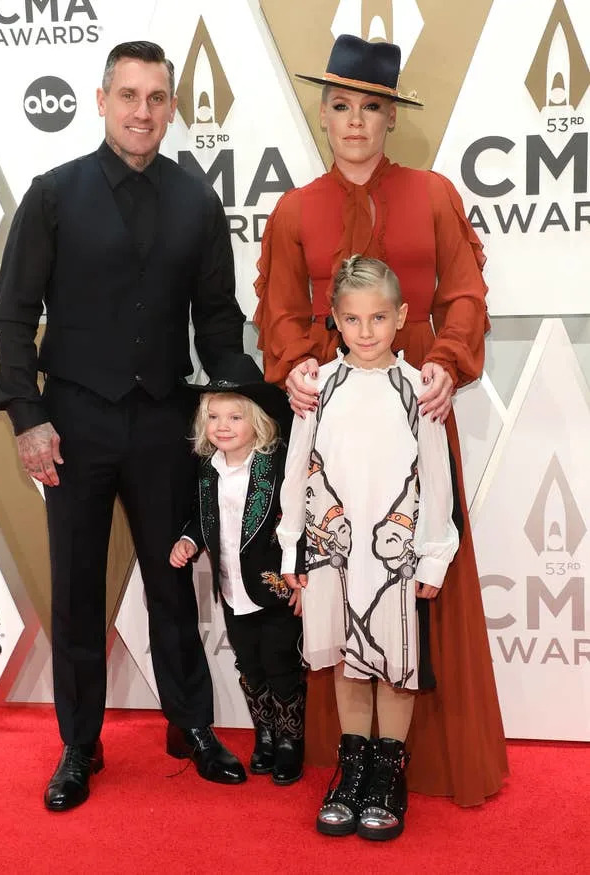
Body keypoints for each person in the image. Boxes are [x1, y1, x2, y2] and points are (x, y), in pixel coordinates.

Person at [0, 40, 247, 812]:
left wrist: (235, 400)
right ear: (101, 101)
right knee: (74, 588)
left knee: (175, 580)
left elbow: (220, 320)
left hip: (166, 421)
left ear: (173, 108)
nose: (143, 111)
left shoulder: (197, 203)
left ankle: (193, 726)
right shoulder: (54, 194)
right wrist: (26, 415)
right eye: (129, 95)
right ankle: (79, 743)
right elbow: (13, 313)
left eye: (157, 98)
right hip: (71, 422)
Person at [253, 34, 508, 807]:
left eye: (371, 106)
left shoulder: (433, 194)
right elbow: (279, 309)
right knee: (339, 579)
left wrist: (449, 360)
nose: (355, 121)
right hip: (332, 419)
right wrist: (298, 362)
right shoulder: (295, 209)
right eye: (341, 105)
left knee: (418, 573)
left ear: (390, 116)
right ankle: (354, 757)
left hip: (418, 399)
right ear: (324, 115)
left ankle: (405, 764)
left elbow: (464, 292)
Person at [279, 255, 459, 839]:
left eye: (379, 317)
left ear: (402, 316)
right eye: (352, 319)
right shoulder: (317, 387)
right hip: (334, 551)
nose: (366, 332)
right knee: (348, 661)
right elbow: (297, 470)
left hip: (396, 556)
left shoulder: (418, 390)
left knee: (395, 665)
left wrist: (434, 553)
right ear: (334, 319)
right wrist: (292, 552)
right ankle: (352, 765)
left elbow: (436, 477)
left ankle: (389, 771)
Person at [169, 353, 306, 785]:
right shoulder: (207, 471)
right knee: (250, 665)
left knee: (281, 664)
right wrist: (189, 540)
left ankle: (290, 742)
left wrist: (300, 575)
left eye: (234, 417)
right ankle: (264, 734)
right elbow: (202, 516)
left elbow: (298, 520)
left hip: (275, 589)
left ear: (258, 422)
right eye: (213, 416)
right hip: (232, 591)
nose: (222, 426)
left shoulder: (276, 465)